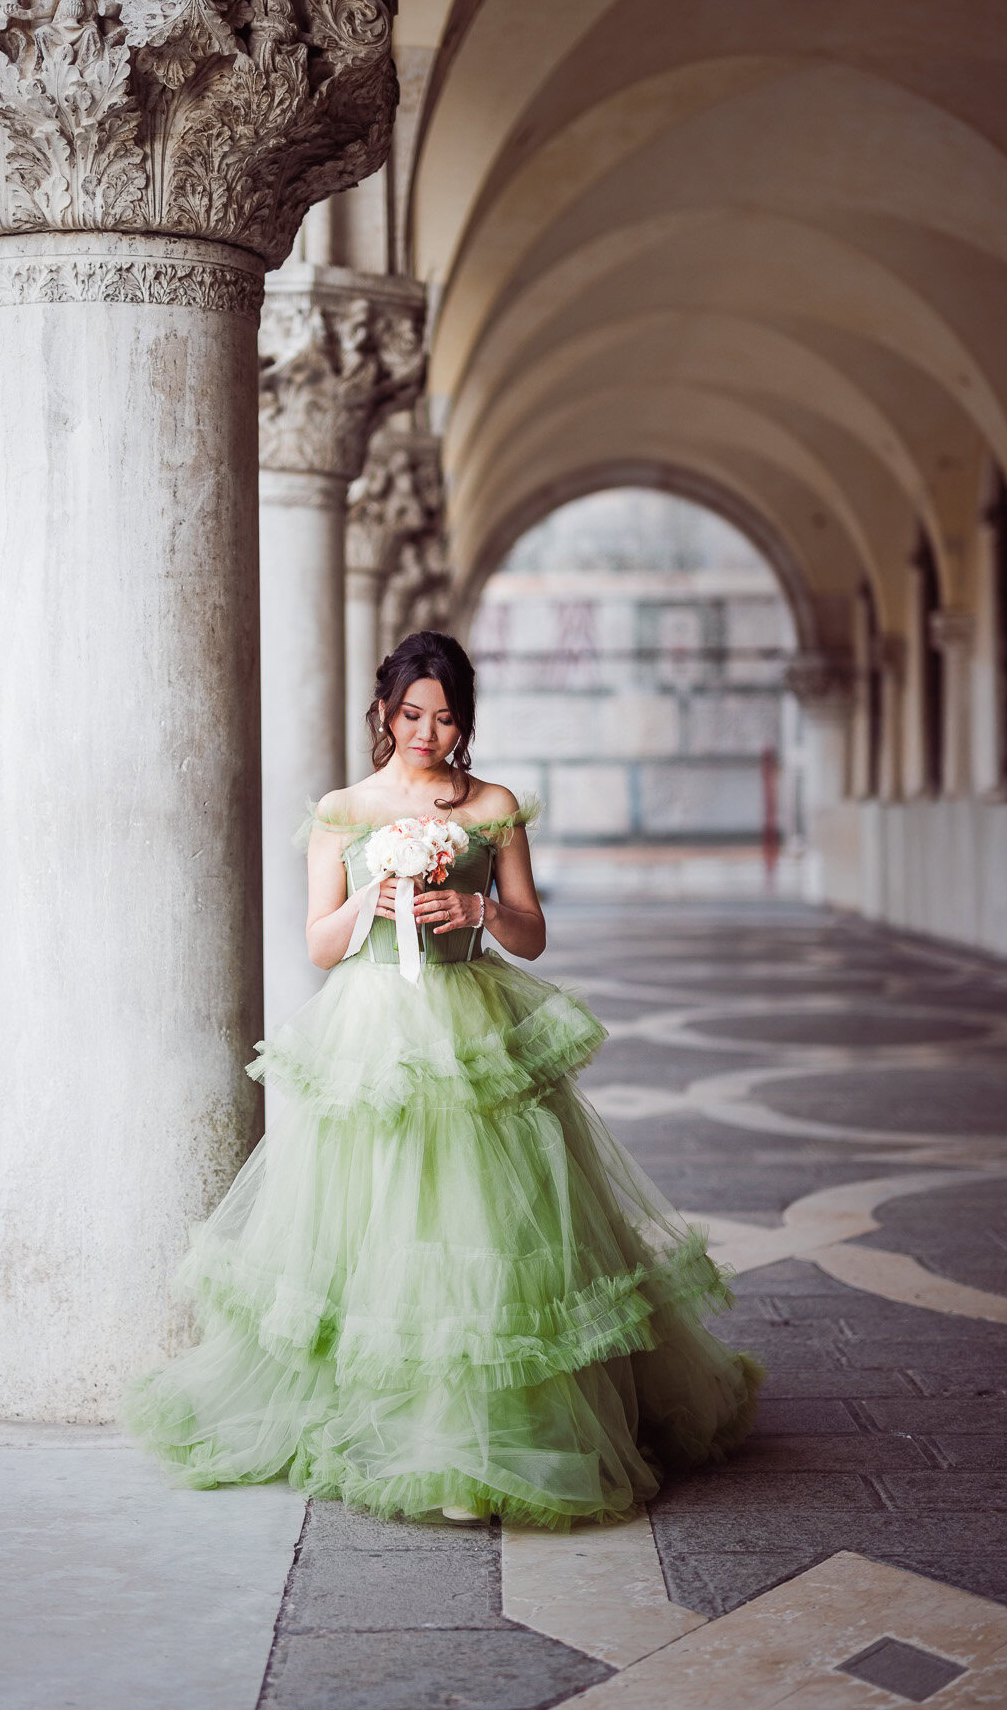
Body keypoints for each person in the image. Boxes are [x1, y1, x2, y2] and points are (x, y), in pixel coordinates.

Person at [128, 631, 761, 1526]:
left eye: (447, 716)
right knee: (377, 1218)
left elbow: (534, 933)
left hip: (474, 1017)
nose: (428, 731)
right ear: (384, 711)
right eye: (413, 713)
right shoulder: (344, 810)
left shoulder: (492, 803)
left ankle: (491, 1431)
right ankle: (393, 1426)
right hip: (372, 1025)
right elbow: (316, 943)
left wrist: (480, 908)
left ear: (464, 721)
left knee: (493, 1219)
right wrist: (367, 900)